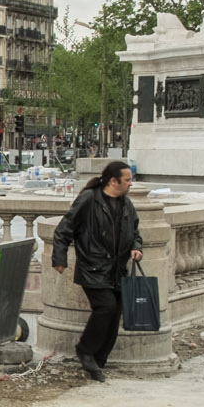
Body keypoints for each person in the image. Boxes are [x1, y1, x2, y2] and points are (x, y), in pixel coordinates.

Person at [51, 161, 143, 382]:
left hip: (118, 270)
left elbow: (136, 232)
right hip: (93, 267)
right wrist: (59, 258)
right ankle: (85, 350)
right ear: (114, 181)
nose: (131, 183)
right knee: (105, 307)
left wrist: (136, 247)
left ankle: (99, 359)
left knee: (116, 312)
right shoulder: (89, 199)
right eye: (128, 180)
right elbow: (64, 229)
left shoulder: (127, 204)